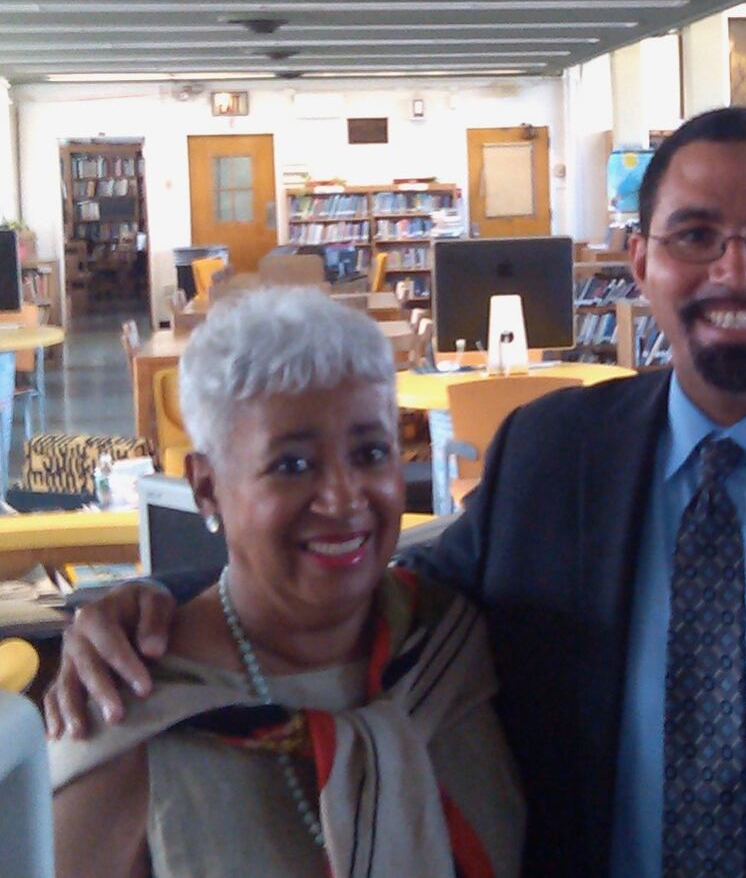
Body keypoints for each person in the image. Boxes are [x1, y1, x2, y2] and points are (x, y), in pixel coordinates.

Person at [48, 107, 746, 877]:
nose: (735, 269)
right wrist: (146, 608)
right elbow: (381, 578)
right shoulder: (552, 458)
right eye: (694, 235)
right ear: (642, 263)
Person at [48, 288, 524, 876]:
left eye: (371, 452)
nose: (344, 497)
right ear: (205, 487)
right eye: (293, 465)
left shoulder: (447, 651)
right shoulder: (127, 716)